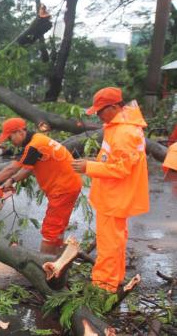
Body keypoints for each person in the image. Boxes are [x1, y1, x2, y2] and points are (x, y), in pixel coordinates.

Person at [71, 87, 149, 293]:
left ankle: (103, 288)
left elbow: (121, 169)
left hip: (115, 198)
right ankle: (114, 280)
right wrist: (92, 164)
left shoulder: (124, 132)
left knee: (108, 245)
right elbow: (112, 160)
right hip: (113, 195)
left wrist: (88, 167)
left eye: (100, 111)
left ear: (114, 107)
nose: (97, 115)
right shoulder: (118, 126)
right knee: (115, 241)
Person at [0, 117, 82, 255]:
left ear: (20, 132)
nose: (10, 142)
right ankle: (58, 259)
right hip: (68, 184)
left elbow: (14, 169)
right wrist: (11, 181)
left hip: (63, 188)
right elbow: (24, 167)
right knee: (58, 226)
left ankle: (44, 266)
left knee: (50, 229)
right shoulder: (37, 139)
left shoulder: (34, 145)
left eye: (10, 138)